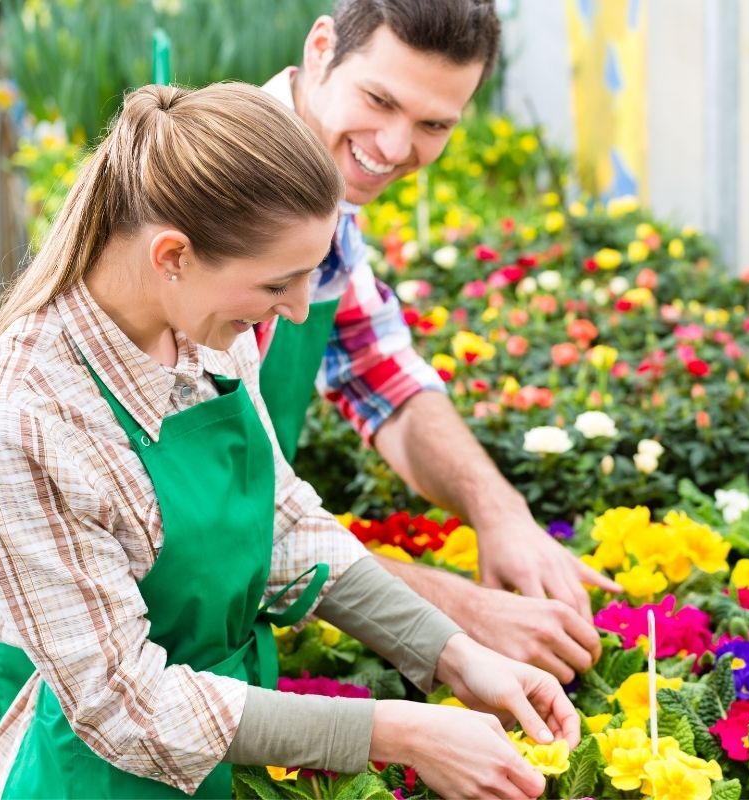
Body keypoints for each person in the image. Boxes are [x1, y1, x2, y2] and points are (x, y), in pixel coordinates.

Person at [0, 82, 577, 799]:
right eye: (279, 282)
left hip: (239, 748)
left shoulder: (204, 332)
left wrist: (453, 652)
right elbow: (124, 704)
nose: (300, 308)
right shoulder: (16, 418)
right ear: (173, 256)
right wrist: (397, 732)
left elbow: (286, 524)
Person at [253, 0, 618, 682]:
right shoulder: (227, 192)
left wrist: (500, 512)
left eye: (433, 124)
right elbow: (207, 514)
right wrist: (457, 614)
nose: (395, 147)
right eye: (380, 99)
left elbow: (376, 372)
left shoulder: (320, 199)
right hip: (63, 650)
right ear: (321, 47)